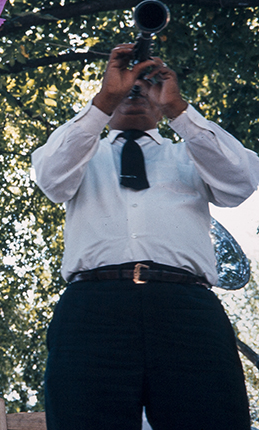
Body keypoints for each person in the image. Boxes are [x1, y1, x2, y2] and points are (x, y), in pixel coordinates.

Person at [31, 43, 259, 430]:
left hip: (187, 309)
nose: (135, 92)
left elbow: (241, 181)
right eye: (127, 87)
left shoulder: (189, 154)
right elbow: (50, 178)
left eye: (145, 86)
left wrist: (178, 110)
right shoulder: (83, 154)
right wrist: (104, 99)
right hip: (93, 311)